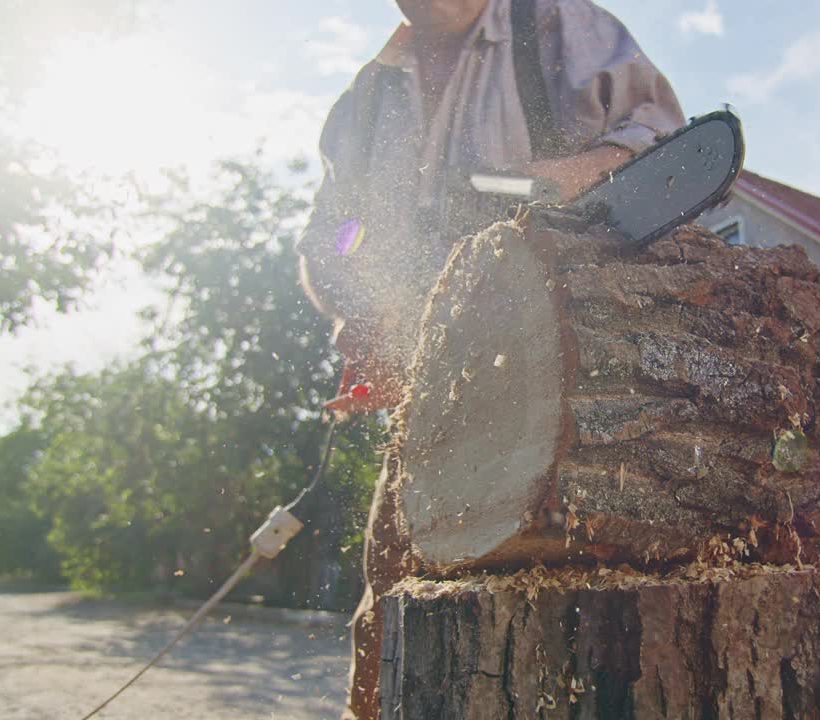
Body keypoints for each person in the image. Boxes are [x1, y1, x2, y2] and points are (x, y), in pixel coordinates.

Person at [294, 0, 683, 716]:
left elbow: (660, 136)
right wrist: (362, 318)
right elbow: (332, 239)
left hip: (582, 381)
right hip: (431, 397)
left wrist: (559, 180)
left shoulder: (550, 25)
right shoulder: (367, 98)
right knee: (387, 619)